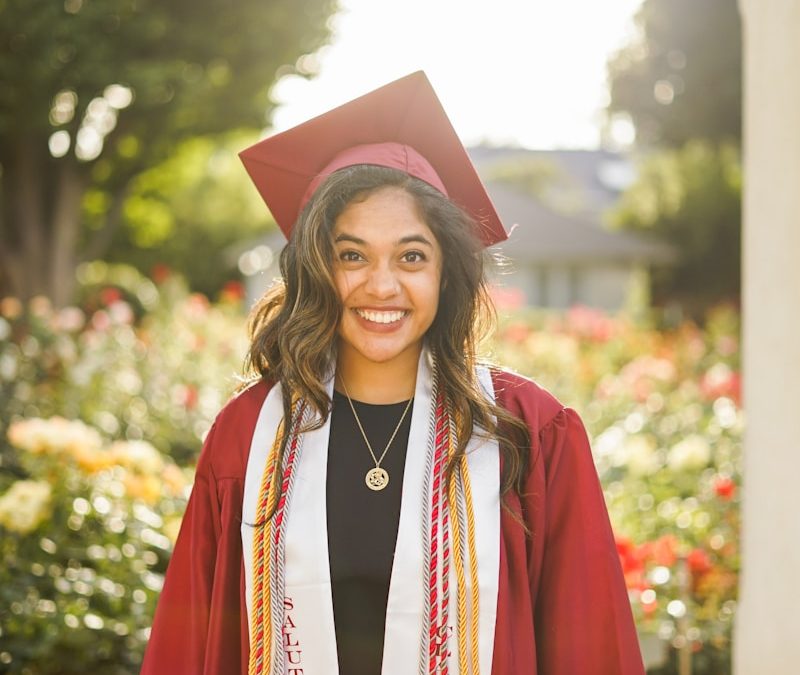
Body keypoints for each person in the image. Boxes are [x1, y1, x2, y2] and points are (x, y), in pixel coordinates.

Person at [141, 72, 646, 675]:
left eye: (411, 256)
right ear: (316, 269)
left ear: (445, 273)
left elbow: (590, 644)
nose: (382, 286)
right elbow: (190, 639)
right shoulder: (248, 437)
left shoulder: (528, 432)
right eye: (351, 255)